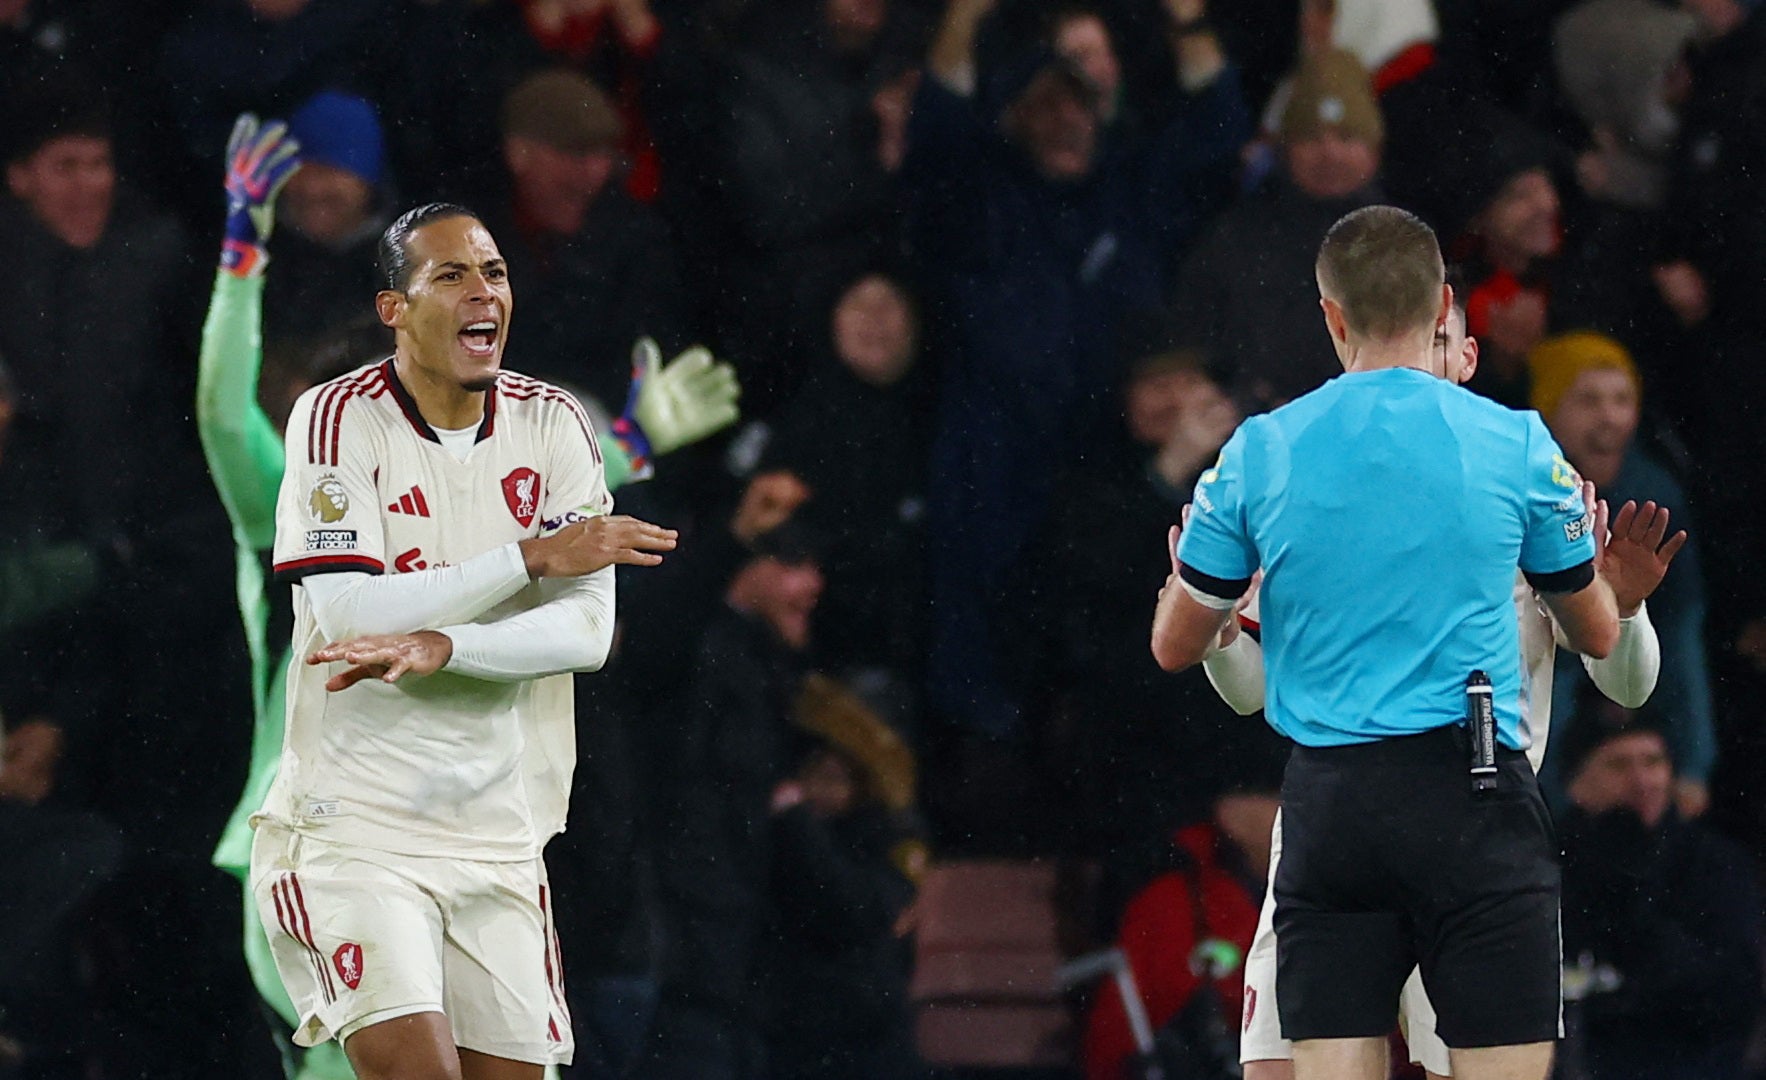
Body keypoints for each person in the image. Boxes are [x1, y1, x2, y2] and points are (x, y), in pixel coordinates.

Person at [202, 115, 738, 1080]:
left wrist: (636, 443)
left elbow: (578, 591)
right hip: (345, 828)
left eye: (493, 271)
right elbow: (225, 423)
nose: (482, 290)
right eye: (450, 276)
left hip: (492, 833)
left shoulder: (543, 429)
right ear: (392, 322)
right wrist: (241, 256)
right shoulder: (311, 453)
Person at [1152, 205, 1621, 1080]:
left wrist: (1196, 589)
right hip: (1472, 795)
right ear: (1444, 304)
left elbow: (1177, 643)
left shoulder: (1260, 450)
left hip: (1334, 807)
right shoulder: (1516, 442)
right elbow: (1597, 631)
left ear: (1331, 316)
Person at [1527, 331, 1713, 816]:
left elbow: (1682, 629)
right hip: (1547, 653)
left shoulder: (1655, 491)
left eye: (1621, 400)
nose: (1608, 417)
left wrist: (1694, 764)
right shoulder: (1525, 487)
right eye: (1588, 400)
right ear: (1547, 408)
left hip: (1634, 653)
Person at [1556, 708, 1762, 1080]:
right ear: (1576, 784)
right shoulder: (1550, 863)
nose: (1642, 781)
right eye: (1618, 765)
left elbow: (1737, 987)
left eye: (1653, 762)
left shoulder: (1715, 863)